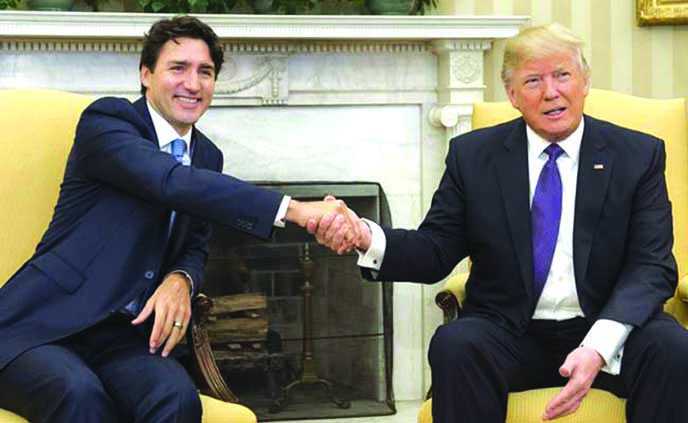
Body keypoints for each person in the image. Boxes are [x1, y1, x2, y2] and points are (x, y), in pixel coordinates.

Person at [309, 23, 688, 422]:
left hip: (610, 329)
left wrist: (597, 347)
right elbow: (436, 249)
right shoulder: (473, 157)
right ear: (511, 94)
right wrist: (365, 236)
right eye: (533, 81)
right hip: (511, 333)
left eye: (562, 75)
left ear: (585, 81)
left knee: (673, 349)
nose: (551, 92)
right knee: (456, 344)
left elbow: (652, 266)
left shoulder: (637, 155)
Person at [0, 15, 358, 423]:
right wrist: (296, 209)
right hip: (40, 328)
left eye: (205, 71)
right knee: (77, 394)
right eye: (178, 68)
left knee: (175, 397)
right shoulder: (108, 124)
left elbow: (195, 243)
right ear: (146, 75)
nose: (193, 83)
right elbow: (169, 182)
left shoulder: (207, 156)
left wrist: (181, 279)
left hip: (125, 336)